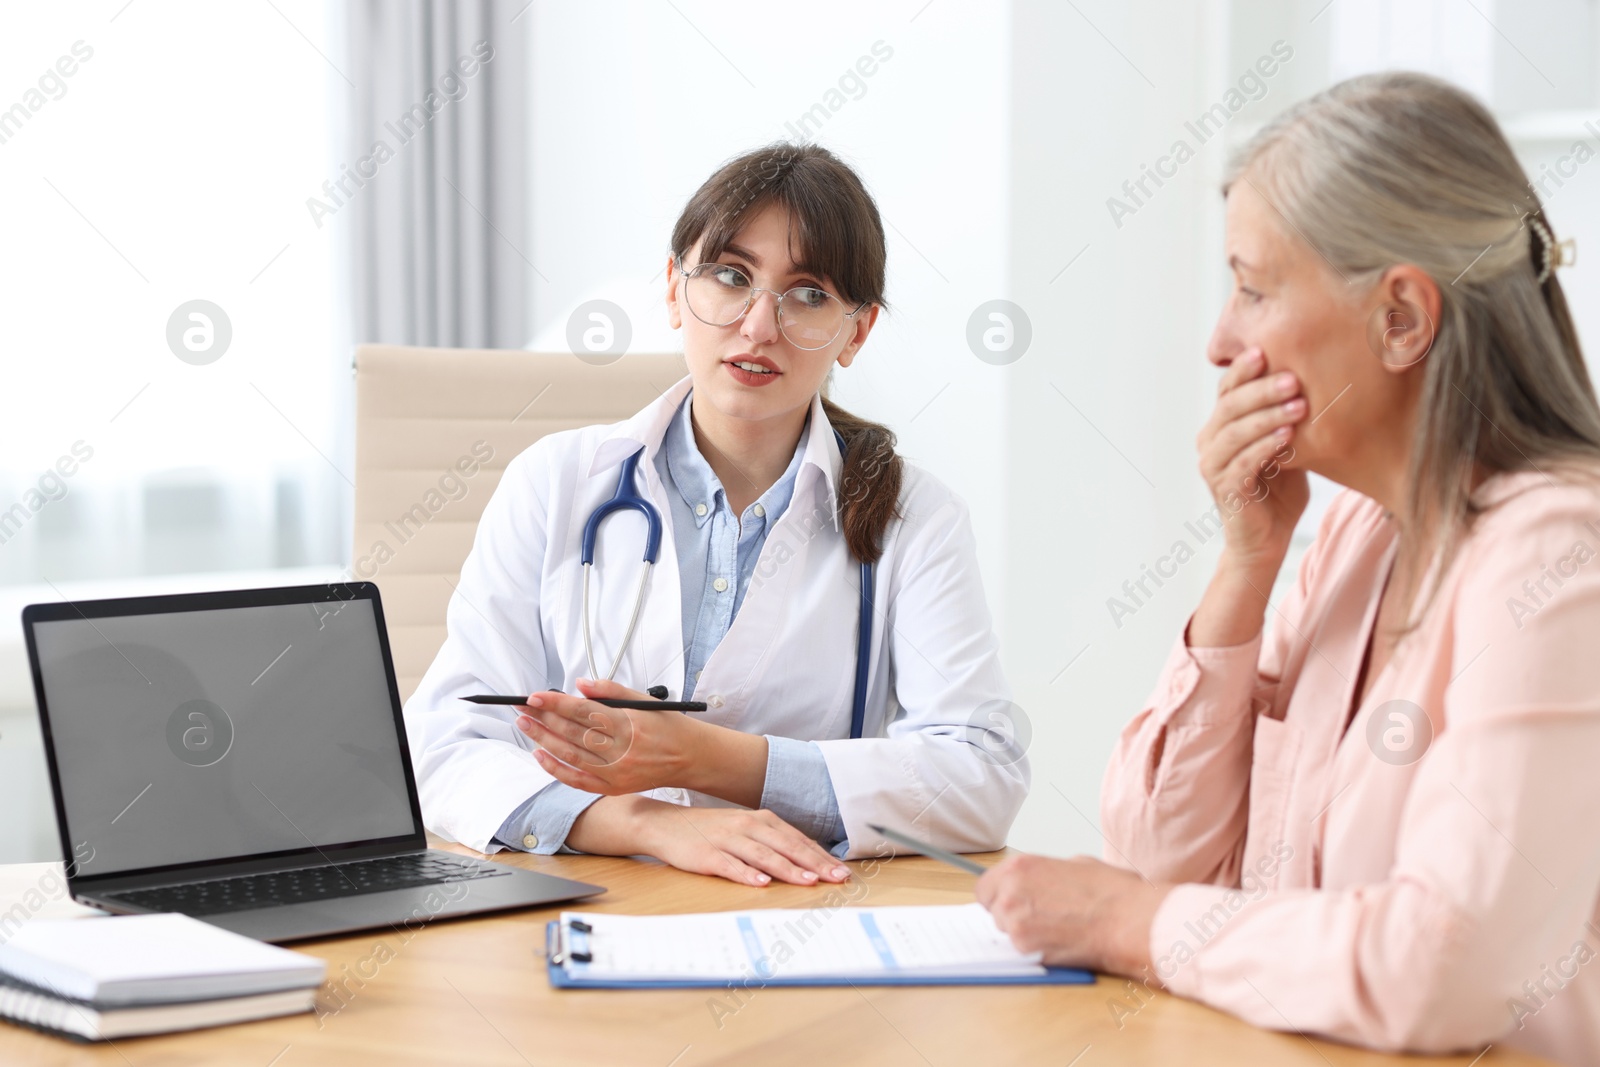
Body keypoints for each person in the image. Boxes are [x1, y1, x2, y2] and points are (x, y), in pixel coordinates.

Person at [975, 72, 1600, 1065]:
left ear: (1400, 317)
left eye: (1254, 288)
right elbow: (1160, 860)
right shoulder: (1358, 534)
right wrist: (1245, 565)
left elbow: (1445, 970)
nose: (1219, 342)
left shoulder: (1559, 559)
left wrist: (1133, 923)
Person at [405, 143, 1028, 889]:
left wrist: (701, 757)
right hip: (582, 903)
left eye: (808, 294)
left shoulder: (914, 517)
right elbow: (442, 743)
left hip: (795, 922)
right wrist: (648, 822)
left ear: (855, 332)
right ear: (674, 289)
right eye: (731, 277)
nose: (759, 326)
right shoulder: (555, 482)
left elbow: (983, 774)